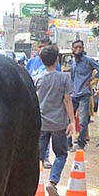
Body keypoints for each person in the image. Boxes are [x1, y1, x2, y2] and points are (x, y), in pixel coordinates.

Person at [33, 44, 76, 196]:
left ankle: (34, 185)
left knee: (38, 156)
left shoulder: (36, 79)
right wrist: (72, 121)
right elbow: (67, 100)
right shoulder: (64, 77)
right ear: (57, 59)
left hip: (41, 123)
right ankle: (52, 181)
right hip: (59, 123)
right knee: (61, 154)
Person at [25, 38, 59, 168]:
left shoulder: (54, 65)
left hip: (48, 104)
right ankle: (35, 158)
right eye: (39, 46)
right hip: (34, 102)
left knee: (46, 131)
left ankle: (44, 158)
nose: (41, 49)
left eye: (44, 47)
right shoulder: (31, 62)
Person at [69, 39, 99, 150]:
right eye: (76, 48)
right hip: (73, 93)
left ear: (83, 48)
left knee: (83, 121)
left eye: (80, 47)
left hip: (84, 93)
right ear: (73, 49)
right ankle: (68, 143)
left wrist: (91, 79)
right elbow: (72, 76)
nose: (78, 49)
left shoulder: (88, 60)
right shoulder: (73, 62)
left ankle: (81, 143)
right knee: (68, 119)